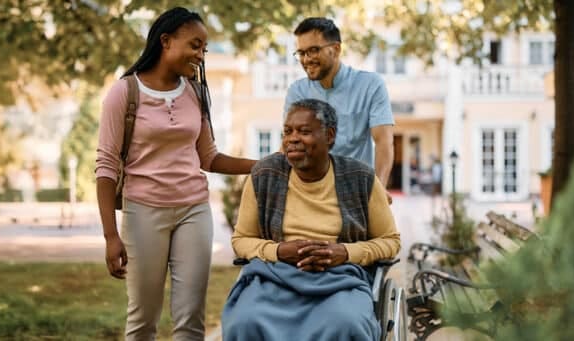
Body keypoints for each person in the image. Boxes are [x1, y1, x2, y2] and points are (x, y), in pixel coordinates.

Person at [94, 7, 255, 340]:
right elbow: (106, 166)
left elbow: (209, 158)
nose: (200, 55)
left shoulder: (195, 93)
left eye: (204, 49)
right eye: (194, 45)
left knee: (190, 319)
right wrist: (111, 236)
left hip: (194, 211)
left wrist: (263, 164)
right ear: (166, 41)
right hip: (143, 213)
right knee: (143, 318)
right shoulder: (125, 92)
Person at [222, 99, 401, 340]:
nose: (292, 139)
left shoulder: (361, 178)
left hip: (341, 279)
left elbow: (390, 241)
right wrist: (279, 250)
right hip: (274, 276)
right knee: (244, 321)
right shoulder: (264, 175)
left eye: (304, 131)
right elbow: (241, 239)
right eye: (288, 132)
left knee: (346, 322)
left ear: (329, 135)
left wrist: (344, 252)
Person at [284, 18, 395, 192]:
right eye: (301, 53)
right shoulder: (297, 91)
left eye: (313, 50)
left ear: (335, 49)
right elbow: (290, 145)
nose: (306, 59)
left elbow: (384, 142)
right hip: (310, 192)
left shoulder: (370, 85)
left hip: (356, 191)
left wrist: (378, 191)